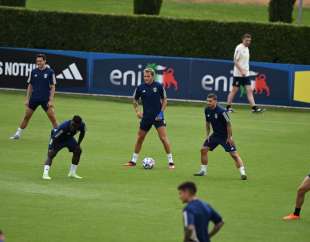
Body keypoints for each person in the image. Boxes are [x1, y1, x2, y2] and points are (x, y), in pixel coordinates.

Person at [124, 68, 175, 169]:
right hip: (146, 117)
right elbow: (134, 100)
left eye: (148, 76)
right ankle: (133, 161)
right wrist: (137, 111)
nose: (146, 78)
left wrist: (161, 113)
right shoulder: (140, 87)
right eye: (144, 76)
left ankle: (171, 162)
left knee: (163, 139)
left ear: (153, 76)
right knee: (140, 138)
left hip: (158, 117)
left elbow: (165, 100)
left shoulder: (159, 86)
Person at [194, 93, 247, 180]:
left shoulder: (222, 111)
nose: (208, 103)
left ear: (215, 101)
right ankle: (203, 171)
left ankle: (243, 173)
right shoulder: (207, 109)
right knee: (203, 150)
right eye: (207, 101)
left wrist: (230, 137)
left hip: (225, 136)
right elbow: (207, 123)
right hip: (215, 135)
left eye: (210, 101)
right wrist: (207, 135)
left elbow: (229, 124)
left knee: (234, 155)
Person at [10, 54, 57, 140]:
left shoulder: (50, 72)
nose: (38, 63)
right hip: (34, 99)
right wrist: (27, 99)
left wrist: (51, 100)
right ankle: (17, 134)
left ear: (44, 61)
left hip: (45, 100)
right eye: (37, 61)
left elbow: (53, 87)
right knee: (26, 117)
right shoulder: (33, 72)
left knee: (52, 118)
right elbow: (30, 86)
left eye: (40, 61)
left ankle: (58, 136)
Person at [226, 33, 264, 113]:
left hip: (246, 75)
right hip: (238, 75)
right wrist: (241, 70)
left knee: (249, 90)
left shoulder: (247, 49)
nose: (248, 42)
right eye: (246, 40)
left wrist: (246, 71)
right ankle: (228, 107)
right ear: (242, 40)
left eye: (249, 41)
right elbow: (235, 61)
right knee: (234, 91)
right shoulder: (239, 48)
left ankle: (254, 108)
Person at [42, 115, 86, 180]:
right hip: (58, 140)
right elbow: (54, 138)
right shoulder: (63, 127)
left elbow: (82, 133)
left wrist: (78, 144)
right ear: (72, 122)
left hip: (69, 138)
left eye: (77, 126)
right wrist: (50, 147)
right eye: (74, 125)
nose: (75, 127)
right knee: (51, 154)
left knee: (78, 150)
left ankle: (72, 173)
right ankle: (45, 174)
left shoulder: (81, 125)